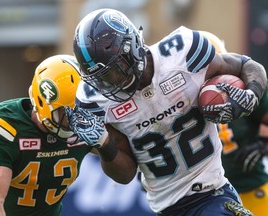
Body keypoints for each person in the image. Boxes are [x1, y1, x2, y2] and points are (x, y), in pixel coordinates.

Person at [72, 8, 267, 215]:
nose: (112, 83)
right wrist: (104, 145)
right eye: (102, 78)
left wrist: (252, 94)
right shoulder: (94, 100)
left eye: (115, 70)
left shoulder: (182, 53)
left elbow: (247, 65)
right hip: (167, 208)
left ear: (133, 46)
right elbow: (125, 175)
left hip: (212, 194)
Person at [0, 54, 137, 216]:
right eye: (66, 111)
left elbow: (126, 176)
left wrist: (104, 143)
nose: (75, 118)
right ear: (43, 103)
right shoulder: (7, 126)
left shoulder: (88, 121)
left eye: (80, 108)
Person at [202, 30, 268, 216]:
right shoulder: (179, 100)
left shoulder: (242, 89)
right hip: (205, 199)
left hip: (249, 186)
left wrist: (263, 145)